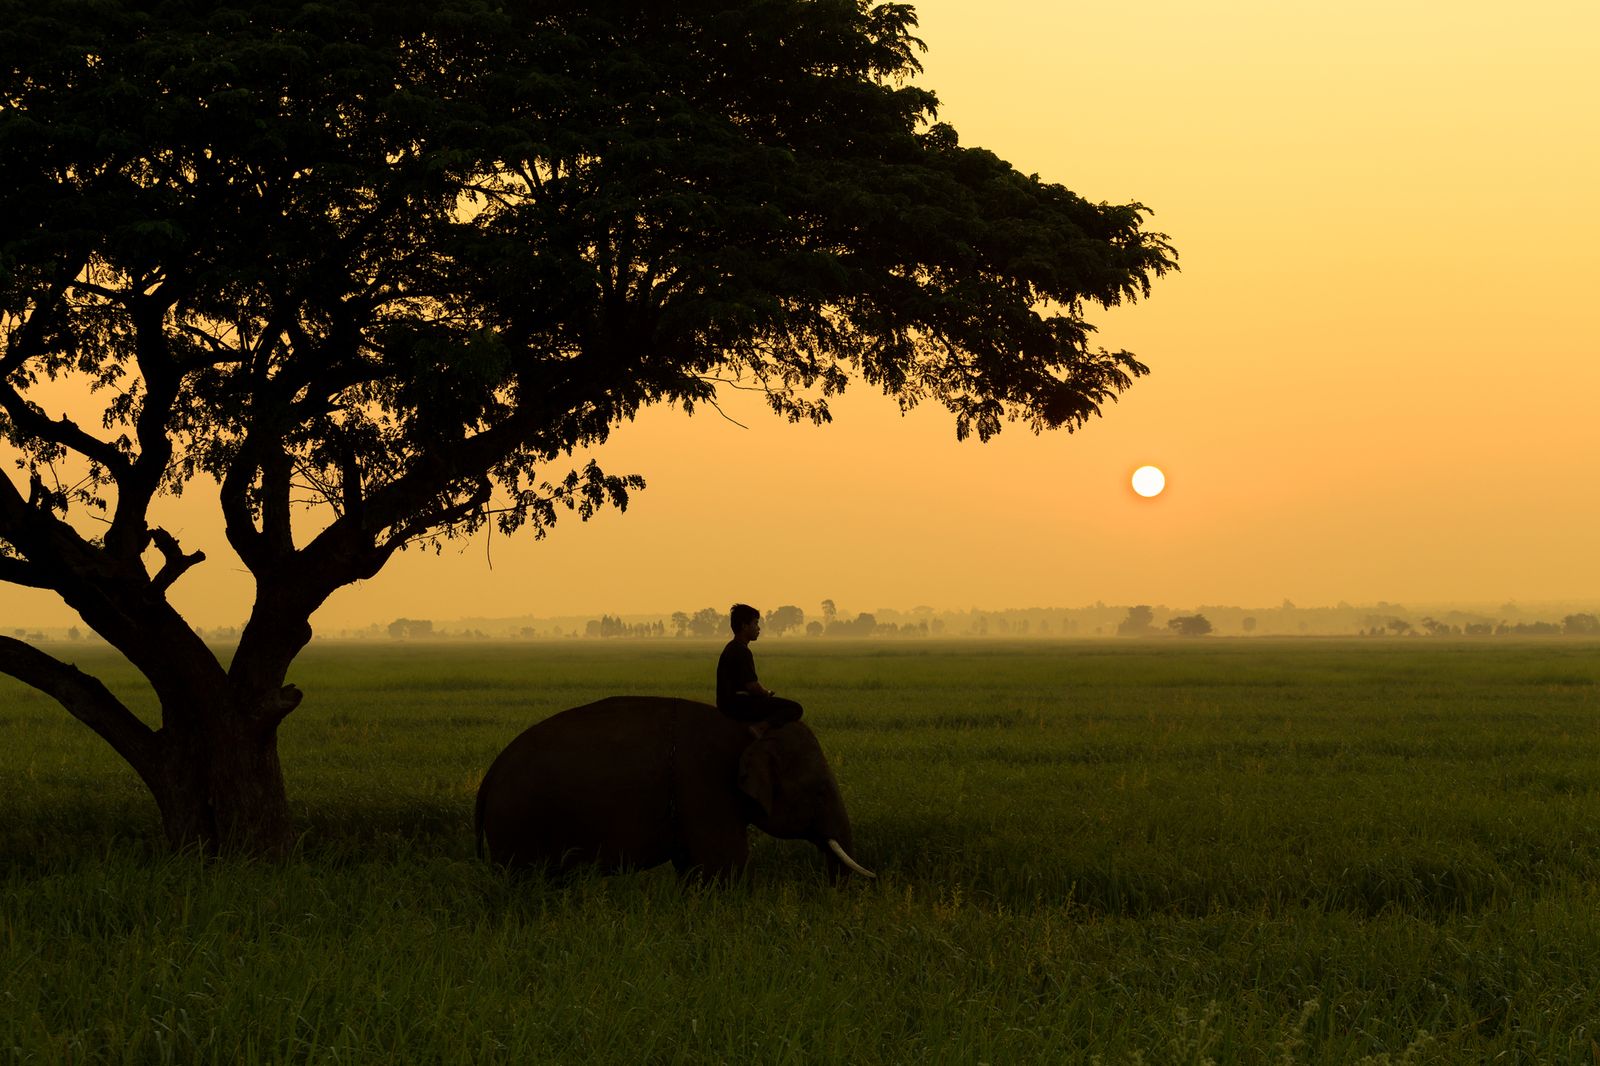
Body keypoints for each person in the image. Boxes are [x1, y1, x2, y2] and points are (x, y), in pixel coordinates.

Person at [716, 603, 803, 735]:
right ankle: (761, 727)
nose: (758, 628)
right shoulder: (741, 651)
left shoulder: (731, 647)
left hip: (727, 704)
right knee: (795, 708)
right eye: (755, 623)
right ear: (744, 626)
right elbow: (752, 686)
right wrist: (765, 693)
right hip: (738, 705)